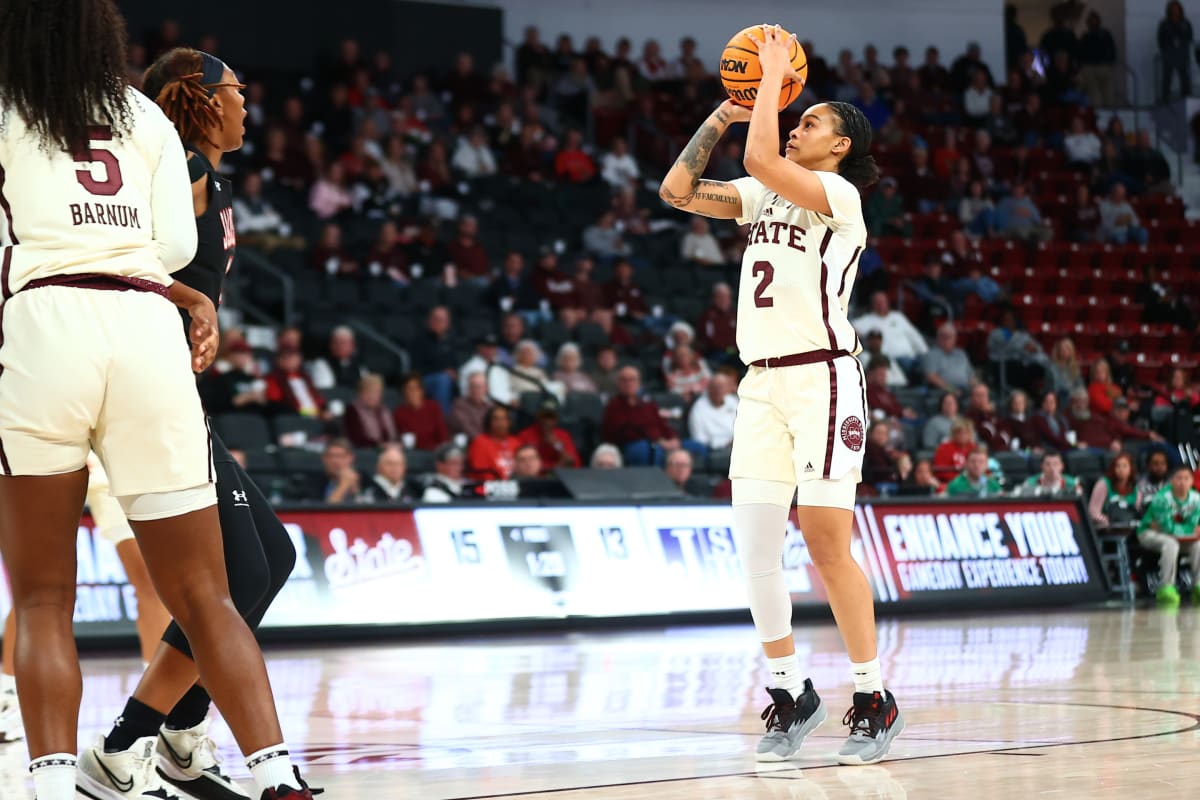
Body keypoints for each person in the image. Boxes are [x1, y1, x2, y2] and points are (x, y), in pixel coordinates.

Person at [0, 14, 309, 800]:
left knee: (42, 595)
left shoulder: (6, 99)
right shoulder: (140, 116)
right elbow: (173, 245)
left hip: (44, 325)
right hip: (144, 329)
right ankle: (276, 775)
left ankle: (48, 783)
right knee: (208, 592)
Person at [658, 25, 902, 765]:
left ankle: (872, 696)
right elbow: (676, 191)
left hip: (825, 378)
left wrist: (768, 76)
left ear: (840, 147)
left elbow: (764, 154)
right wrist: (722, 116)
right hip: (761, 383)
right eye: (795, 117)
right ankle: (791, 691)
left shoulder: (839, 195)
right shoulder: (765, 189)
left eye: (813, 121)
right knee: (756, 548)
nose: (798, 125)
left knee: (828, 543)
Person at [1138, 466, 1200, 606]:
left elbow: (1192, 525)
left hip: (1179, 537)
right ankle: (1166, 587)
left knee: (1198, 545)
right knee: (1171, 543)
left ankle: (1198, 585)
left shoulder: (1196, 499)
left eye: (1186, 478)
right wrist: (1188, 529)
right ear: (1171, 481)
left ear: (1191, 481)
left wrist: (1188, 530)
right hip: (1149, 533)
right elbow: (1168, 528)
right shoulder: (1162, 498)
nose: (1182, 482)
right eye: (1178, 478)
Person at [516, 401, 581, 473]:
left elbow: (571, 461)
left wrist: (557, 445)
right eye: (544, 417)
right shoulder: (525, 435)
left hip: (558, 476)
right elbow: (519, 462)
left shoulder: (563, 435)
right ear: (538, 418)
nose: (547, 421)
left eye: (551, 417)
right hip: (532, 475)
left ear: (556, 419)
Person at [393, 373, 450, 451]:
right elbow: (403, 439)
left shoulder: (433, 407)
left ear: (422, 391)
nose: (413, 392)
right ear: (404, 392)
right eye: (409, 389)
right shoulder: (399, 413)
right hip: (414, 454)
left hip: (436, 452)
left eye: (416, 388)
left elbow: (443, 434)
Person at [344, 373, 397, 449]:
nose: (372, 395)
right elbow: (357, 439)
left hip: (389, 450)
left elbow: (393, 435)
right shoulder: (352, 410)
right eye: (368, 391)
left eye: (376, 392)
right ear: (360, 393)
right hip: (365, 453)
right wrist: (379, 445)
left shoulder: (385, 410)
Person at [467, 406, 520, 481]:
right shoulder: (480, 443)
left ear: (509, 422)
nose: (500, 423)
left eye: (503, 419)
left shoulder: (516, 442)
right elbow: (483, 474)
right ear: (489, 423)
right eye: (496, 419)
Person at [1089, 451, 1139, 530]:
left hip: (1130, 528)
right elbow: (1093, 512)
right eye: (1118, 466)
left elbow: (1137, 512)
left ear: (1131, 469)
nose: (1121, 469)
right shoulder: (1103, 484)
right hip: (1106, 527)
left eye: (1124, 466)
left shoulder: (1136, 487)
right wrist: (1108, 523)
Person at [689, 373, 739, 451]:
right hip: (716, 451)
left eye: (722, 387)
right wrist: (726, 443)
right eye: (715, 387)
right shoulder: (698, 408)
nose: (718, 390)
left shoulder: (732, 401)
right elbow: (699, 440)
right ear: (709, 388)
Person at [922, 324, 974, 396]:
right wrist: (952, 389)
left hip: (965, 389)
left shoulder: (961, 354)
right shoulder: (932, 355)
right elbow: (931, 377)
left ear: (955, 339)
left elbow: (971, 376)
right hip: (944, 391)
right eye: (944, 336)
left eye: (950, 337)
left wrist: (977, 387)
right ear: (938, 339)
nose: (947, 340)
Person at [1158, 1, 1194, 102]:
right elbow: (1160, 39)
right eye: (1173, 8)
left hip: (1182, 54)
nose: (1175, 10)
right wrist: (1167, 47)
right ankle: (1165, 97)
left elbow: (1189, 37)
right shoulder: (1164, 24)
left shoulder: (1185, 23)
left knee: (1184, 75)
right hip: (1169, 54)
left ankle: (1186, 95)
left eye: (1177, 8)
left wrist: (1181, 42)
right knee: (1167, 76)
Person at [1014, 451, 1081, 497]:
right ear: (1041, 466)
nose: (1052, 468)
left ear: (1062, 466)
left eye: (1055, 464)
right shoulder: (1030, 482)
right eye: (1048, 464)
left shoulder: (1073, 483)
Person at [449, 372, 492, 440]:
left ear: (486, 388)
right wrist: (484, 443)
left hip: (487, 444)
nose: (475, 390)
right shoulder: (459, 404)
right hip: (467, 445)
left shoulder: (490, 407)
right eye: (472, 386)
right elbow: (466, 429)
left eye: (478, 387)